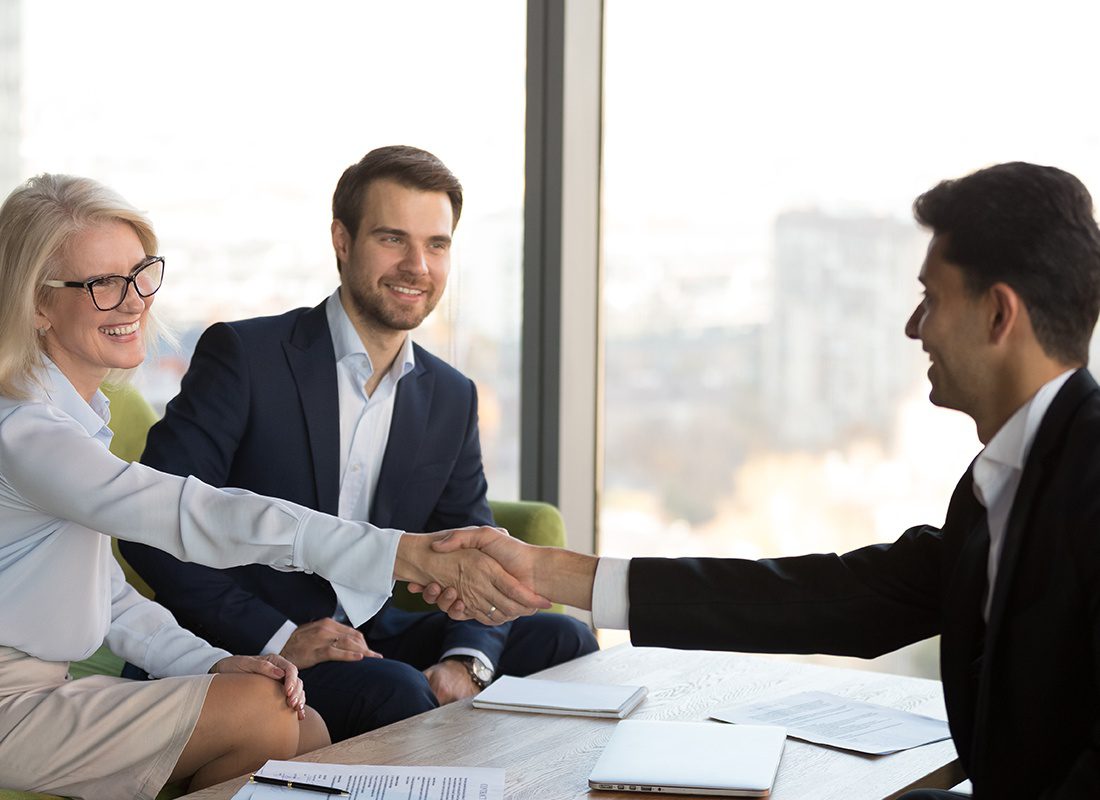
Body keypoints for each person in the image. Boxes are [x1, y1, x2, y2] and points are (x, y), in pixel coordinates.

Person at [419, 162, 1100, 800]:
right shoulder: (993, 490)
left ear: (999, 314)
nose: (914, 326)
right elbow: (827, 598)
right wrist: (547, 573)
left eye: (931, 298)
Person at [0, 174, 544, 799]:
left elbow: (108, 595)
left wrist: (210, 662)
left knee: (303, 725)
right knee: (271, 713)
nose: (132, 301)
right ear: (38, 303)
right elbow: (193, 512)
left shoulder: (74, 419)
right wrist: (398, 552)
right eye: (101, 284)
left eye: (141, 273)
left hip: (53, 689)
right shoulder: (27, 432)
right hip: (15, 705)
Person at [119, 145, 597, 742]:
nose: (418, 266)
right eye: (393, 239)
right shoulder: (247, 356)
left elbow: (475, 550)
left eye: (437, 245)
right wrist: (279, 636)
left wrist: (466, 663)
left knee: (566, 642)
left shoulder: (451, 396)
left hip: (371, 635)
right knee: (397, 689)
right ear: (342, 241)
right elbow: (149, 526)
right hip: (248, 647)